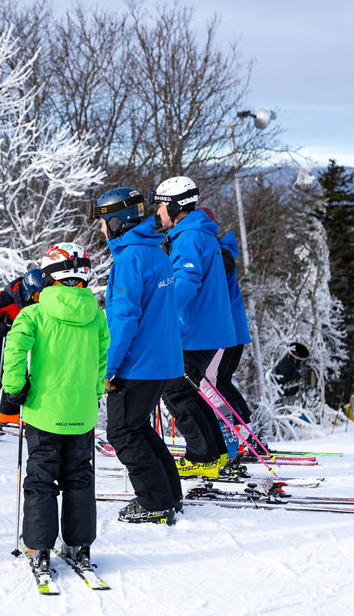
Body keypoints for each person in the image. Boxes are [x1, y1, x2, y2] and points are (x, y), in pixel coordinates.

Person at [2, 242, 109, 576]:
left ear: (49, 275)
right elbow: (102, 358)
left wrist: (15, 388)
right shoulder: (96, 314)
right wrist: (93, 393)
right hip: (81, 413)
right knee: (80, 478)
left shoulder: (34, 312)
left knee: (41, 480)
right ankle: (79, 545)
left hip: (44, 412)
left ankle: (38, 545)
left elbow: (15, 349)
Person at [91, 187, 184, 524]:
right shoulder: (154, 251)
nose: (102, 230)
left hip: (137, 363)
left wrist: (109, 367)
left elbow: (125, 319)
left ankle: (156, 502)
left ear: (118, 222)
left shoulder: (131, 258)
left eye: (104, 222)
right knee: (138, 429)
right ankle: (168, 495)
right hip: (159, 361)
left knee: (123, 433)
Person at [153, 176, 236, 477]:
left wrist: (159, 315)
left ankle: (204, 456)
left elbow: (187, 282)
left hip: (198, 333)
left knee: (175, 390)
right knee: (186, 389)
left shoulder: (188, 237)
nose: (158, 213)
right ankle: (214, 454)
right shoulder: (195, 233)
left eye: (160, 206)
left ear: (175, 207)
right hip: (204, 331)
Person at [198, 208, 254, 458]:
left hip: (222, 331)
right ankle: (244, 435)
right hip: (230, 330)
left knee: (209, 383)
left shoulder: (219, 255)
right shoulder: (221, 252)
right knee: (219, 382)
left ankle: (236, 438)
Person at [0, 268, 44, 427]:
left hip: (13, 335)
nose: (39, 300)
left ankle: (8, 413)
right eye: (37, 296)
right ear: (28, 291)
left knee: (16, 370)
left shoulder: (36, 304)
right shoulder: (8, 298)